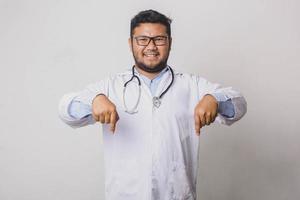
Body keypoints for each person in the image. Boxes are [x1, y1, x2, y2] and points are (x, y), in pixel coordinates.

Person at [58, 9, 247, 200]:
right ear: (130, 43)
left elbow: (239, 104)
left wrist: (214, 100)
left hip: (176, 195)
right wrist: (93, 101)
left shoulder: (192, 85)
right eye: (142, 39)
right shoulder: (110, 86)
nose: (151, 46)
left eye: (159, 39)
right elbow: (65, 110)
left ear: (170, 43)